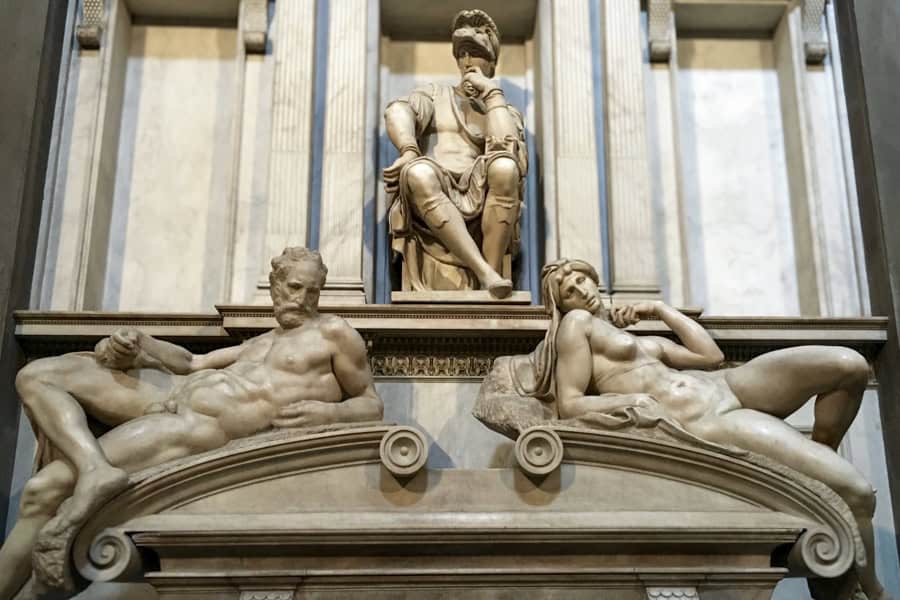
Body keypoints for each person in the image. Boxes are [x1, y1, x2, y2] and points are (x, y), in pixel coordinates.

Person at [0, 247, 384, 599]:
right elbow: (191, 363)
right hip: (169, 398)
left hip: (194, 426)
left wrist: (332, 413)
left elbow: (370, 404)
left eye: (312, 292)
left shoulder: (333, 332)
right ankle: (93, 468)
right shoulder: (259, 343)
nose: (302, 299)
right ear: (275, 286)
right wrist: (140, 343)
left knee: (42, 489)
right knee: (37, 374)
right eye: (295, 287)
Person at [522, 258, 887, 599]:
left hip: (729, 383)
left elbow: (710, 357)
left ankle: (824, 456)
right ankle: (875, 591)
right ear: (562, 304)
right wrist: (629, 402)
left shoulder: (635, 336)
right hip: (708, 421)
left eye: (582, 279)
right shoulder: (576, 326)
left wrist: (660, 310)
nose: (581, 290)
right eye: (569, 290)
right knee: (856, 493)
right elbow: (570, 403)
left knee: (849, 365)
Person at [383, 9, 527, 297]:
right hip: (436, 186)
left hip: (481, 187)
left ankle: (491, 270)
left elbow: (507, 149)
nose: (468, 61)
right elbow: (397, 110)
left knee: (505, 168)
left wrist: (491, 94)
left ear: (492, 61)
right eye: (462, 53)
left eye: (476, 53)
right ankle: (486, 274)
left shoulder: (503, 111)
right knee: (418, 172)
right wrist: (409, 149)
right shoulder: (435, 94)